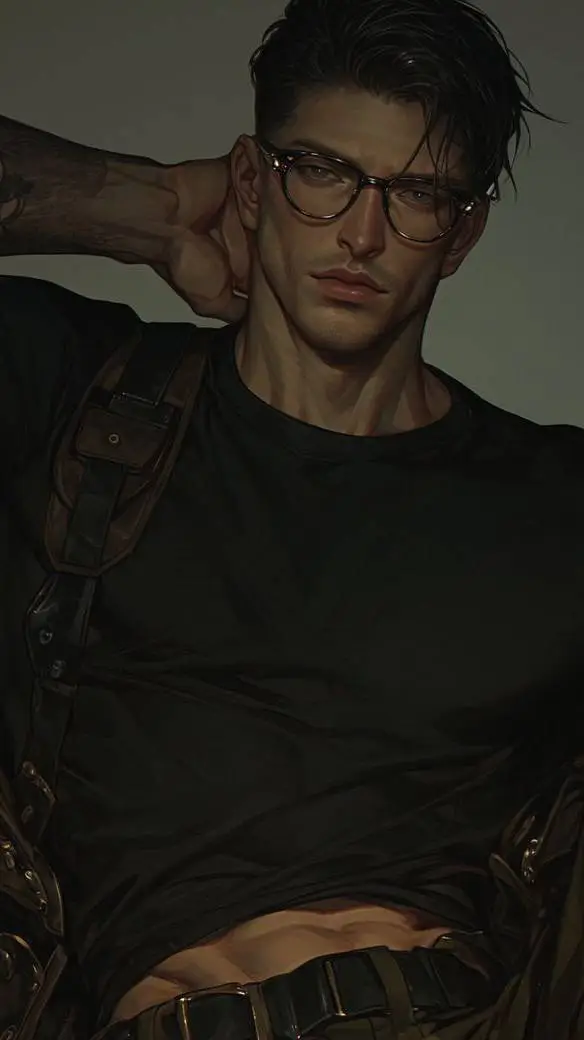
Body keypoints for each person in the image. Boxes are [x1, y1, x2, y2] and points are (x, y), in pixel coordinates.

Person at [0, 0, 583, 1038]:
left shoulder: (555, 495)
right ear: (250, 181)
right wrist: (139, 207)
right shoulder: (80, 399)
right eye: (319, 171)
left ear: (462, 233)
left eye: (415, 194)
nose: (361, 234)